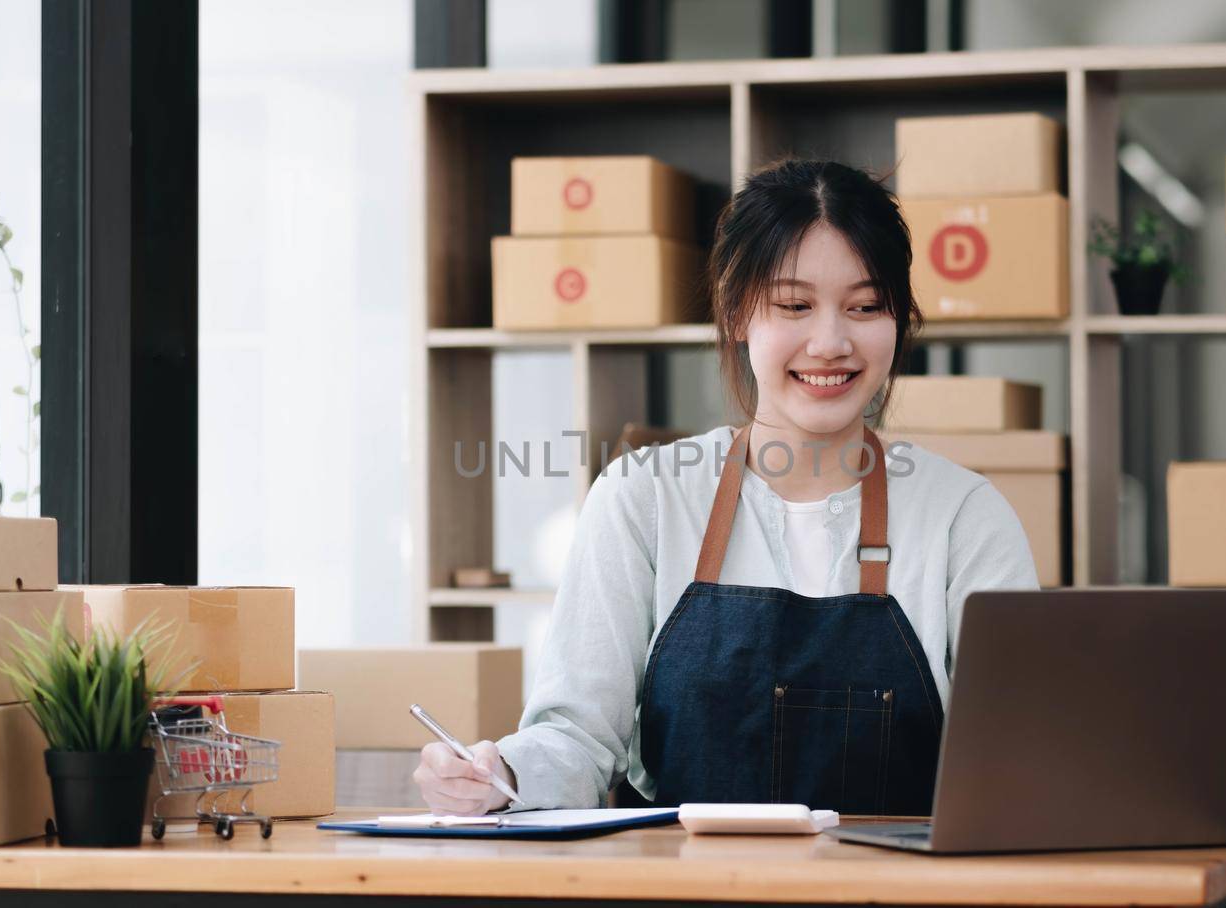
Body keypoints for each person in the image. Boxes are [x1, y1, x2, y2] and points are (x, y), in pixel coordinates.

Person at [414, 158, 1038, 815]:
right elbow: (575, 739)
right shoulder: (644, 497)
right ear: (738, 311)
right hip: (684, 893)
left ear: (898, 321)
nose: (830, 341)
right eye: (794, 305)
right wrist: (498, 774)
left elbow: (1020, 751)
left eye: (865, 306)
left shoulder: (964, 516)